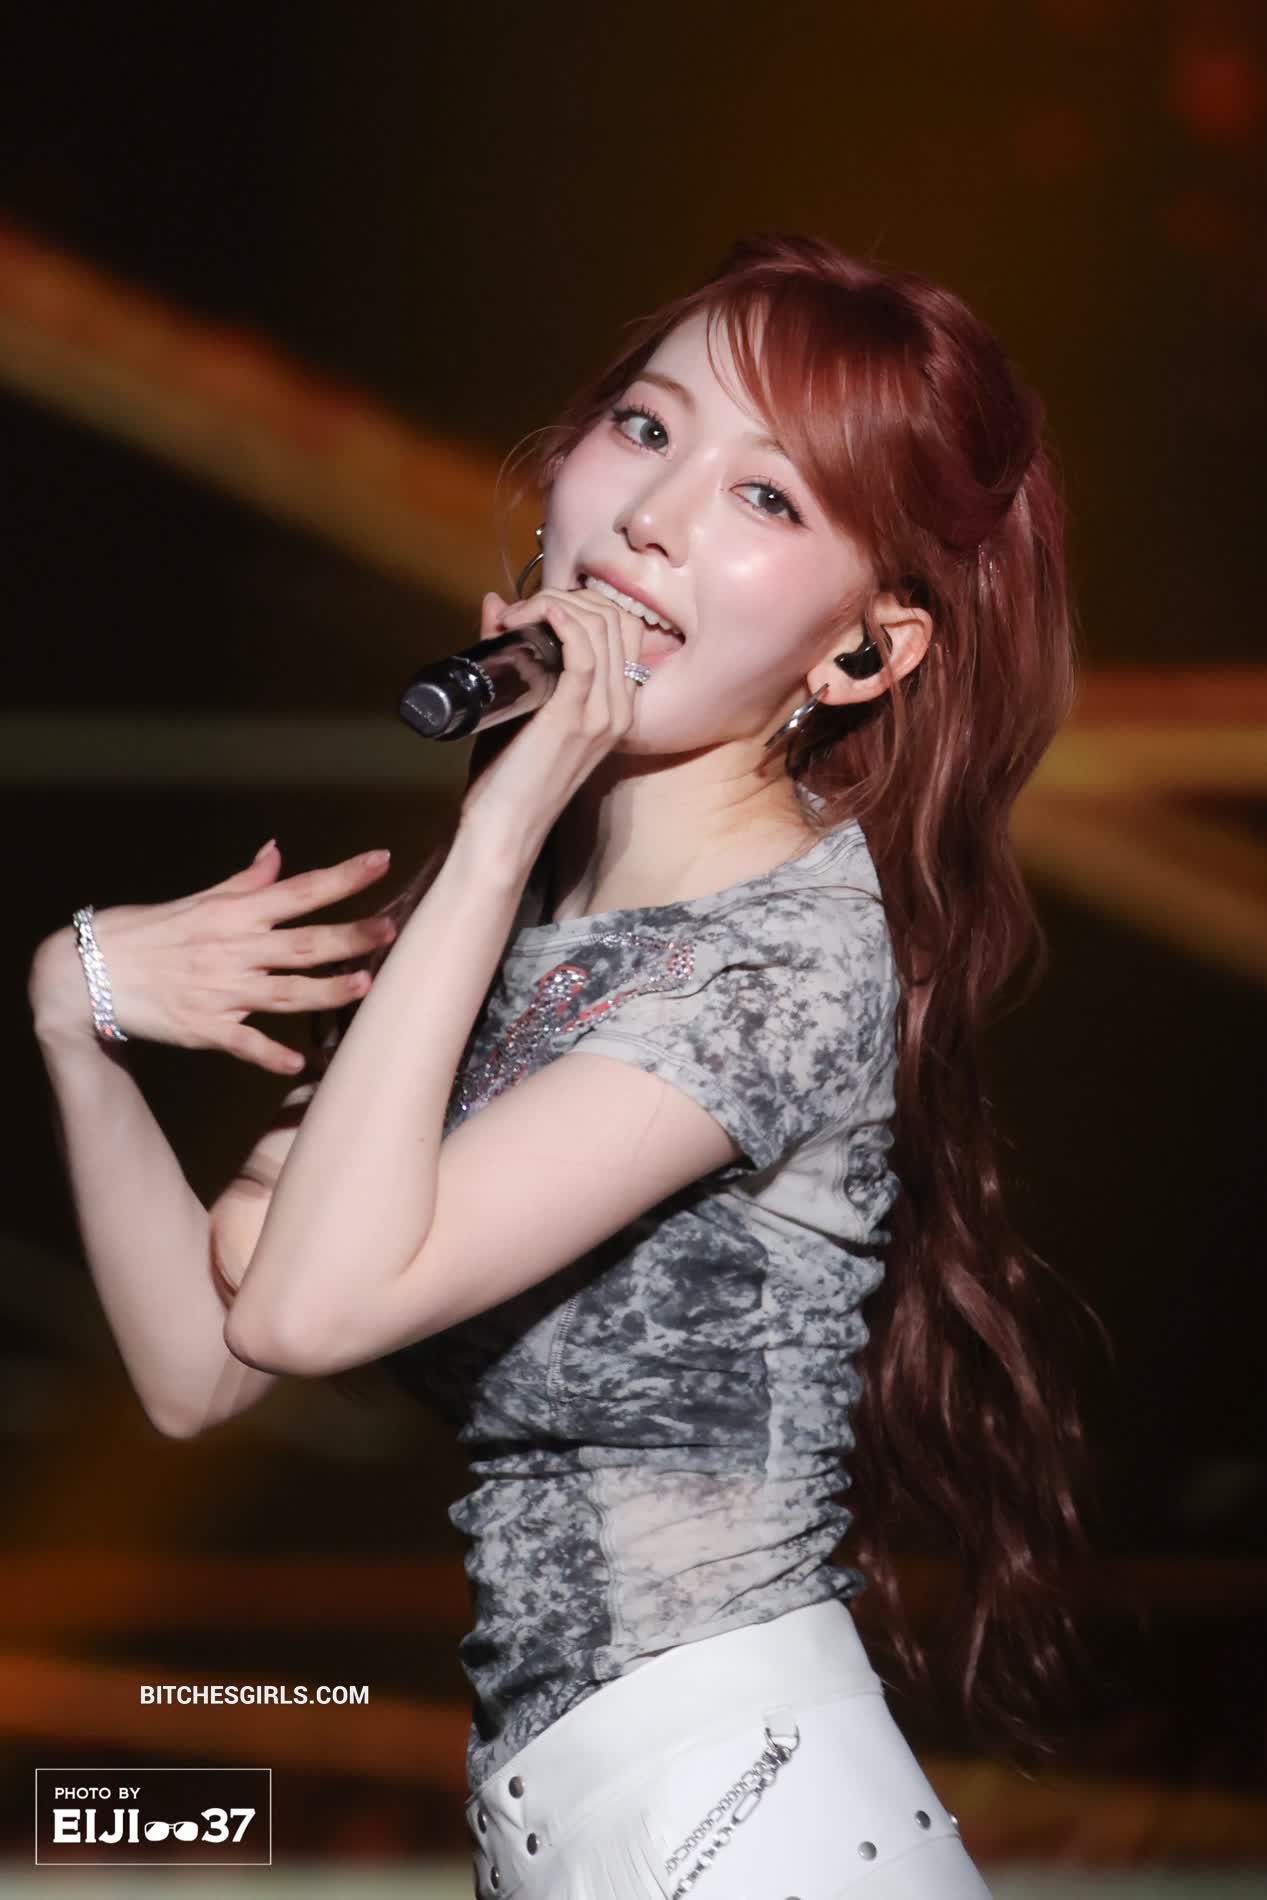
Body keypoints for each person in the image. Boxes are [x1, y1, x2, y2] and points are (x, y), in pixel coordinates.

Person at [29, 231, 1101, 1897]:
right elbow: (200, 1367)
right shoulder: (509, 918)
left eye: (769, 498)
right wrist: (71, 1013)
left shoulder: (786, 960)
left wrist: (501, 817)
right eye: (647, 428)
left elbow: (309, 1308)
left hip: (749, 1822)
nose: (655, 514)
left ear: (864, 651)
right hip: (592, 1828)